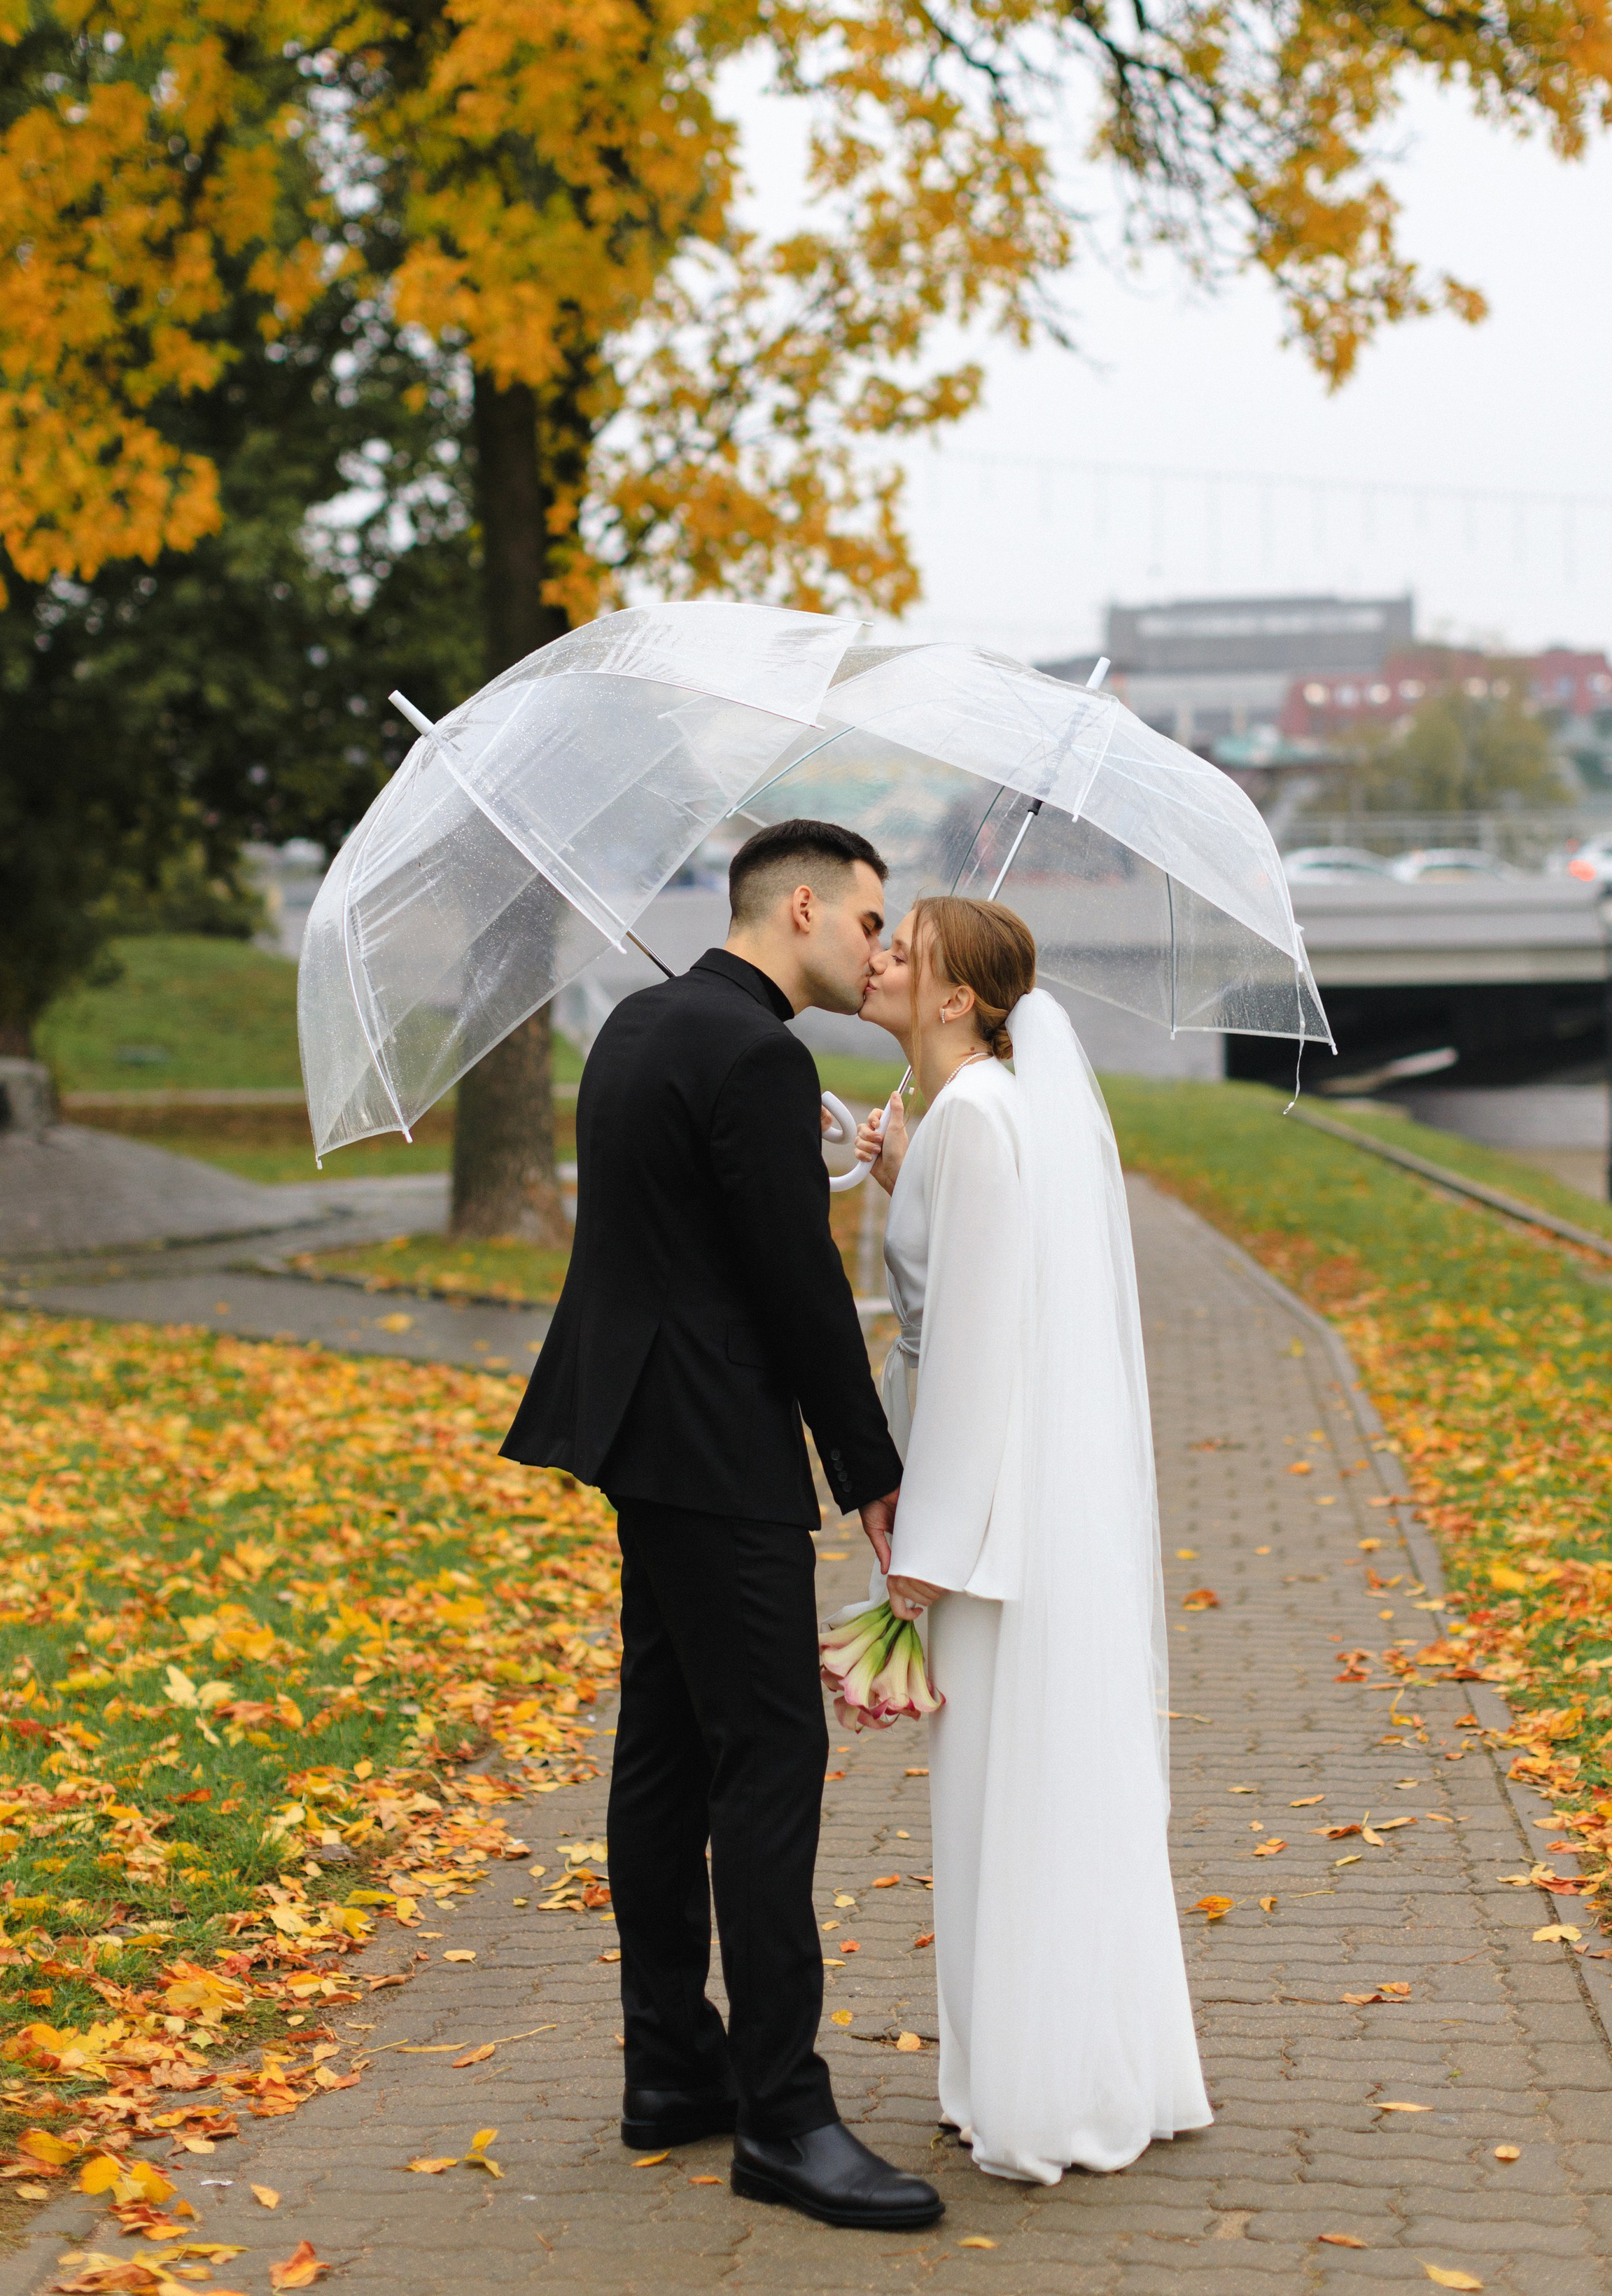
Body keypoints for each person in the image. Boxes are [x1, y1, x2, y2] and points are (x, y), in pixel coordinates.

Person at [500, 820, 944, 2233]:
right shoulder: (752, 1054)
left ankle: (670, 2067)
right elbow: (794, 1284)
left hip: (637, 1429)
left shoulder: (644, 1025)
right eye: (868, 922)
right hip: (714, 1439)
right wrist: (869, 1468)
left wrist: (789, 1143)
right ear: (800, 906)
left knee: (668, 1748)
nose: (878, 950)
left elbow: (684, 1226)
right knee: (768, 1755)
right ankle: (784, 2118)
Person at [854, 897, 1212, 2185]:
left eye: (904, 952)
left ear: (958, 999)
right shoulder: (968, 1115)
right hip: (994, 1506)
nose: (877, 959)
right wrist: (903, 1173)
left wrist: (927, 1548)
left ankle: (1033, 2085)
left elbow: (979, 1346)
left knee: (999, 1799)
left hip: (984, 1521)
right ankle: (1041, 2061)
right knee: (1003, 1796)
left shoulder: (979, 1118)